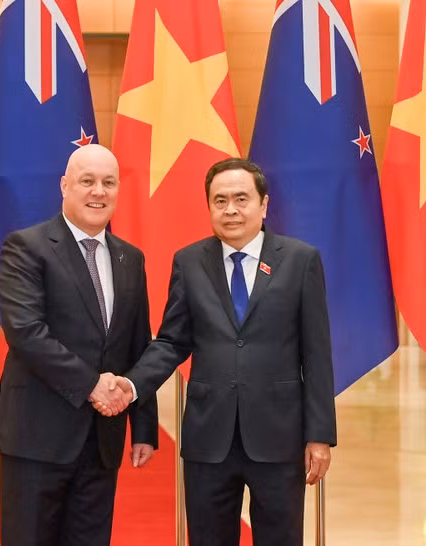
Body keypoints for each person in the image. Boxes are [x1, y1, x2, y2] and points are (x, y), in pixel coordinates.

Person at [96, 158, 337, 546]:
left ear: (264, 204)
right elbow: (173, 340)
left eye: (241, 199)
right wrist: (131, 383)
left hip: (279, 436)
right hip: (209, 440)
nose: (230, 209)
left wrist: (320, 435)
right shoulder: (190, 262)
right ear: (208, 207)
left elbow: (317, 353)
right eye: (219, 200)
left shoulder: (299, 260)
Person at [0, 144, 158, 546]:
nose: (99, 191)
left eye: (108, 183)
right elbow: (26, 331)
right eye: (87, 181)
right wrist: (92, 385)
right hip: (36, 434)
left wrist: (144, 425)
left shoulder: (130, 258)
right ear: (65, 186)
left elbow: (137, 342)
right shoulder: (27, 247)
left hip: (102, 440)